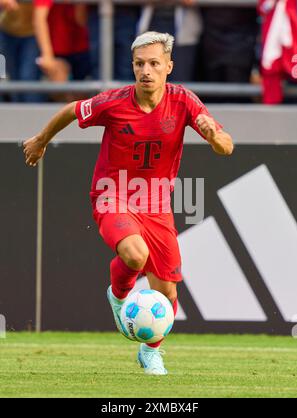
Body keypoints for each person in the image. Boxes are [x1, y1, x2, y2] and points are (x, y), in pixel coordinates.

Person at [23, 32, 234, 375]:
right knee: (136, 255)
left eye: (153, 63)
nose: (146, 71)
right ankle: (119, 295)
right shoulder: (115, 102)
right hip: (112, 193)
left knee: (166, 292)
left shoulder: (184, 101)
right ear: (133, 67)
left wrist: (214, 136)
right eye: (139, 64)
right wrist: (41, 140)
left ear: (169, 66)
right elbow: (72, 111)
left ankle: (150, 352)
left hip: (157, 204)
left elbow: (226, 147)